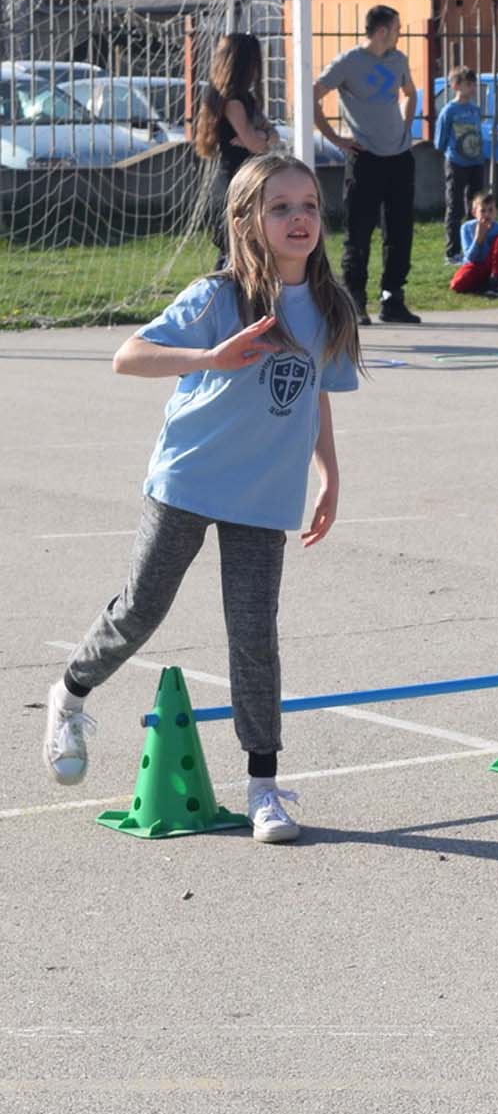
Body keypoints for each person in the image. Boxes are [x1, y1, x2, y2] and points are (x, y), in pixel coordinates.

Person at [41, 154, 361, 844]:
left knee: (254, 636)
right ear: (246, 220)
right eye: (281, 207)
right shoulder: (218, 297)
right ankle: (68, 695)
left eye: (309, 205)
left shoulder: (332, 307)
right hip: (189, 478)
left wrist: (330, 476)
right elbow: (129, 355)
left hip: (265, 496)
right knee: (142, 608)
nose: (300, 218)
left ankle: (263, 788)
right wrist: (209, 359)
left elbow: (317, 395)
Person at [315, 5, 420, 324]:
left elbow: (410, 93)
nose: (400, 34)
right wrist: (335, 138)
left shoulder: (398, 59)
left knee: (400, 231)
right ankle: (355, 300)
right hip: (365, 158)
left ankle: (393, 298)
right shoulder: (348, 62)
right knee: (359, 231)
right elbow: (313, 94)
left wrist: (406, 128)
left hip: (399, 158)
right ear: (382, 31)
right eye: (397, 28)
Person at [193, 32, 273, 267]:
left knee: (248, 251)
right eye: (254, 62)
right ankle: (223, 290)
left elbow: (269, 134)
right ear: (243, 64)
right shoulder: (232, 102)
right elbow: (255, 144)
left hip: (247, 178)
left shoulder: (247, 99)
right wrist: (260, 136)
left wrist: (262, 135)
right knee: (233, 253)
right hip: (233, 182)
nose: (257, 69)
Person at [435, 66, 487, 266]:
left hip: (476, 162)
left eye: (474, 84)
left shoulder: (475, 109)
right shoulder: (449, 111)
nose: (472, 88)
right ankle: (452, 252)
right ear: (456, 86)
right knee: (455, 206)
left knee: (476, 205)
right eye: (468, 84)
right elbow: (439, 141)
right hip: (456, 162)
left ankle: (473, 246)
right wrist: (451, 152)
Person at [450, 190, 498, 298]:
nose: (487, 214)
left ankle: (494, 281)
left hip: (492, 266)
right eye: (483, 211)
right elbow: (470, 257)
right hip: (474, 265)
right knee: (456, 284)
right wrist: (478, 239)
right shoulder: (466, 228)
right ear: (474, 213)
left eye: (491, 210)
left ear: (495, 212)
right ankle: (483, 283)